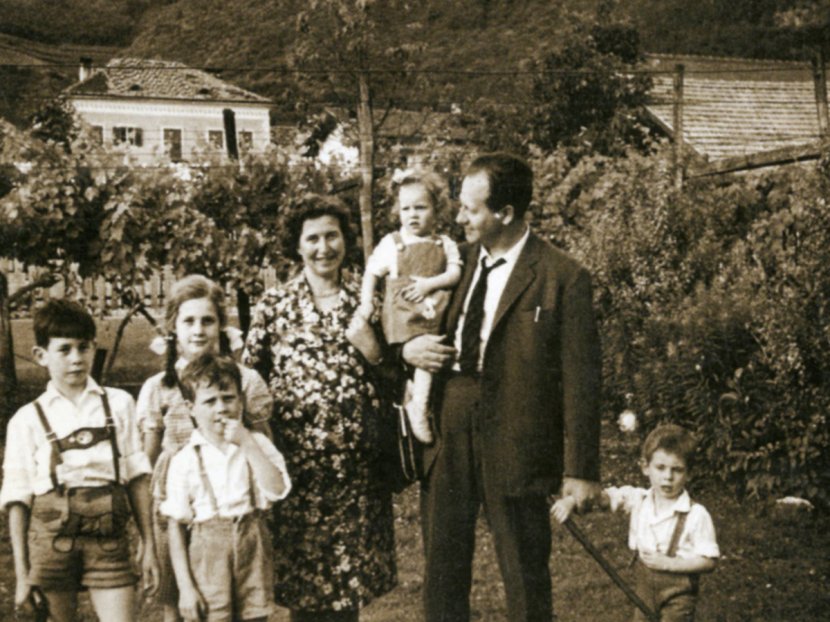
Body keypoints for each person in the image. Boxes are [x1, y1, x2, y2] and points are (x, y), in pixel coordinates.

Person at [401, 153, 603, 621]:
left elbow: (582, 380)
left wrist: (581, 470)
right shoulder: (462, 262)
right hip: (451, 430)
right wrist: (409, 352)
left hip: (519, 440)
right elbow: (415, 326)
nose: (459, 217)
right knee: (443, 568)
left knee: (525, 574)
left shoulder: (563, 278)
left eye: (471, 210)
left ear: (505, 213)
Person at [243, 194, 397, 622]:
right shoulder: (273, 307)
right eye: (312, 238)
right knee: (305, 600)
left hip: (356, 475)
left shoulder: (371, 302)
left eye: (332, 235)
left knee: (347, 598)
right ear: (297, 245)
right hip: (300, 476)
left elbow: (399, 383)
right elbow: (249, 385)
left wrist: (375, 355)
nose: (323, 247)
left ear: (345, 240)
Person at [0, 299, 158, 622]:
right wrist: (22, 575)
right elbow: (17, 500)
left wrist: (149, 543)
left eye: (83, 348)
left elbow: (138, 477)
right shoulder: (26, 420)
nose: (76, 359)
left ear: (93, 348)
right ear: (40, 355)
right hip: (51, 541)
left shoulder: (119, 404)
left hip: (109, 538)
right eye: (64, 349)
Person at [136, 274, 273, 622]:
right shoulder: (159, 387)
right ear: (173, 328)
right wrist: (147, 536)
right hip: (176, 503)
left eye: (207, 321)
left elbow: (263, 445)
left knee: (235, 602)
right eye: (189, 321)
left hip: (230, 501)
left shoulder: (246, 381)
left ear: (221, 327)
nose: (198, 330)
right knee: (181, 604)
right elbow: (147, 464)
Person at [161, 353, 291, 622]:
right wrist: (185, 588)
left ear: (241, 401)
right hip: (207, 553)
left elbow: (277, 490)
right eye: (209, 401)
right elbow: (175, 526)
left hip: (252, 544)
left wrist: (247, 443)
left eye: (228, 398)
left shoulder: (258, 445)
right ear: (191, 407)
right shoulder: (185, 459)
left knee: (256, 615)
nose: (221, 408)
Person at [552, 424, 719, 621]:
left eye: (677, 470)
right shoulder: (638, 500)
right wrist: (571, 501)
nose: (668, 477)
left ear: (688, 473)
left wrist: (670, 564)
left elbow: (709, 561)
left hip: (678, 594)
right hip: (645, 588)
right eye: (660, 468)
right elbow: (603, 498)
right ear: (645, 468)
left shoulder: (696, 515)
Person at [354, 168, 462, 443]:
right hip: (403, 313)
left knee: (435, 352)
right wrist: (366, 302)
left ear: (437, 209)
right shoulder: (392, 244)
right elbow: (372, 272)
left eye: (421, 207)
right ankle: (418, 407)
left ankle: (421, 401)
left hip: (432, 308)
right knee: (423, 354)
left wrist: (429, 284)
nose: (412, 215)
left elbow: (454, 274)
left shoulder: (445, 243)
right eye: (406, 209)